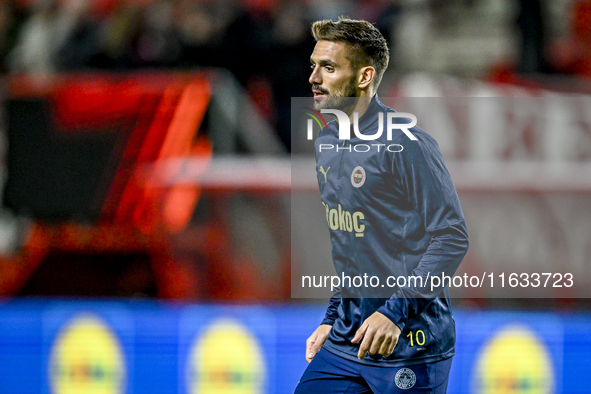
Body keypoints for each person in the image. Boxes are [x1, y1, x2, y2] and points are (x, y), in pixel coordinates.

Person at [294, 17, 469, 393]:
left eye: (328, 67)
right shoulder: (325, 142)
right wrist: (332, 317)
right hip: (347, 339)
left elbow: (452, 237)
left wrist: (394, 313)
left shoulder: (407, 144)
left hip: (409, 342)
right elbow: (354, 246)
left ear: (363, 76)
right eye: (313, 65)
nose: (313, 77)